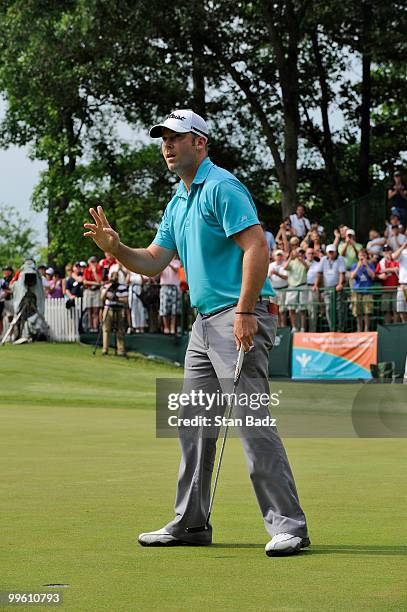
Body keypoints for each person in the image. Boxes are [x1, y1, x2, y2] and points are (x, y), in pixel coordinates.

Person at [83, 108, 309, 557]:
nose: (167, 145)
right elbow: (152, 260)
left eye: (176, 137)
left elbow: (256, 247)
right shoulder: (178, 201)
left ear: (199, 143)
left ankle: (290, 526)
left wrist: (245, 311)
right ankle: (190, 522)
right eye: (163, 138)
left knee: (250, 419)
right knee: (193, 424)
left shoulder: (222, 187)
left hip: (238, 316)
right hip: (203, 326)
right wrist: (116, 249)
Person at [313, 244, 346, 332]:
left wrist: (340, 284)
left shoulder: (340, 259)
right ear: (327, 253)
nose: (331, 254)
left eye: (332, 252)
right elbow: (319, 273)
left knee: (339, 308)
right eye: (329, 252)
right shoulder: (323, 259)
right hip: (327, 288)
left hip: (337, 288)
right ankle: (332, 328)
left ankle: (340, 328)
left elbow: (342, 273)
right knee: (328, 308)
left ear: (336, 252)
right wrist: (315, 285)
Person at [100, 269, 128, 356]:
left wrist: (116, 298)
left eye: (117, 277)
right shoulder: (107, 285)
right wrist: (108, 287)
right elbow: (102, 297)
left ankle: (121, 349)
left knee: (120, 329)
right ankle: (105, 349)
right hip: (108, 308)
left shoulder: (122, 287)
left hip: (119, 308)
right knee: (106, 329)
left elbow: (126, 300)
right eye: (114, 277)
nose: (115, 279)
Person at [349, 249, 376, 332]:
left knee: (367, 312)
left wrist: (366, 266)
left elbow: (373, 276)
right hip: (357, 291)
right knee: (357, 312)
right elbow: (352, 276)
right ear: (358, 256)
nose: (362, 257)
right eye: (360, 255)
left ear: (366, 256)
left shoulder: (371, 265)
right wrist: (358, 266)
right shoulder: (354, 265)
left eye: (364, 255)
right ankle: (359, 329)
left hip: (367, 291)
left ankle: (366, 329)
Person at [283, 247, 308, 332]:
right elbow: (285, 267)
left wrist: (300, 259)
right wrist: (290, 257)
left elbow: (307, 267)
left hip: (302, 286)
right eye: (298, 252)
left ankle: (302, 328)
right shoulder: (292, 262)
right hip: (292, 287)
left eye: (301, 252)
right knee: (291, 308)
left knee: (302, 309)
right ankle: (294, 327)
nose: (300, 254)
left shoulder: (305, 261)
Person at [375, 245, 399, 324]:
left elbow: (398, 269)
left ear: (391, 251)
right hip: (386, 289)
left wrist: (385, 270)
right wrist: (379, 276)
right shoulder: (381, 263)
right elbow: (375, 275)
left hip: (396, 289)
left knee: (396, 310)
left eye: (388, 250)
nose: (387, 253)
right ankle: (388, 326)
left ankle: (396, 327)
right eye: (385, 251)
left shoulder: (396, 260)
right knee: (386, 310)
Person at [159, 255, 181, 334]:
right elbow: (158, 274)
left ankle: (172, 328)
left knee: (174, 310)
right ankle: (166, 328)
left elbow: (176, 270)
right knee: (164, 309)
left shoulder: (178, 262)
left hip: (174, 287)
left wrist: (168, 264)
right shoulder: (162, 263)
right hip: (164, 287)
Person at [267, 249, 288, 327]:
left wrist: (276, 273)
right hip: (273, 290)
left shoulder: (285, 264)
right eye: (277, 255)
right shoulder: (271, 265)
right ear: (275, 257)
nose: (279, 257)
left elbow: (286, 277)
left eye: (280, 255)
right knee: (275, 310)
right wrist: (270, 276)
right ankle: (277, 327)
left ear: (283, 257)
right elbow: (267, 277)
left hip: (283, 289)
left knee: (282, 311)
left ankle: (283, 327)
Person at [83, 256, 103, 331]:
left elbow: (99, 282)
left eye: (94, 262)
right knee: (89, 310)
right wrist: (94, 283)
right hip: (88, 291)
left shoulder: (98, 270)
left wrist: (94, 271)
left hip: (96, 291)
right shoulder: (86, 270)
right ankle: (90, 327)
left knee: (96, 311)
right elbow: (85, 282)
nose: (93, 264)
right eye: (91, 262)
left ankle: (95, 328)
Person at [392, 241, 407, 323]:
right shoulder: (403, 252)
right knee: (401, 309)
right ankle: (405, 325)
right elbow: (393, 257)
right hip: (403, 285)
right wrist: (403, 246)